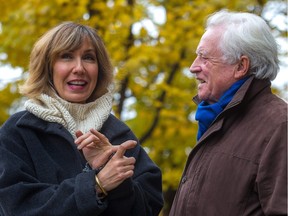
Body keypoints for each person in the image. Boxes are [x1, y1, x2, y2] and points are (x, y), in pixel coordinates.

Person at [0, 22, 163, 215]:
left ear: (99, 69)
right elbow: (17, 207)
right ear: (47, 67)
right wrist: (96, 184)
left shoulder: (121, 136)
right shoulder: (18, 131)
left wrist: (117, 178)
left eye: (88, 58)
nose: (79, 68)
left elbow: (147, 209)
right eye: (66, 56)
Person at [169, 10, 287, 216]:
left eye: (204, 57)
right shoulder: (214, 119)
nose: (192, 67)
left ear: (241, 66)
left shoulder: (280, 126)